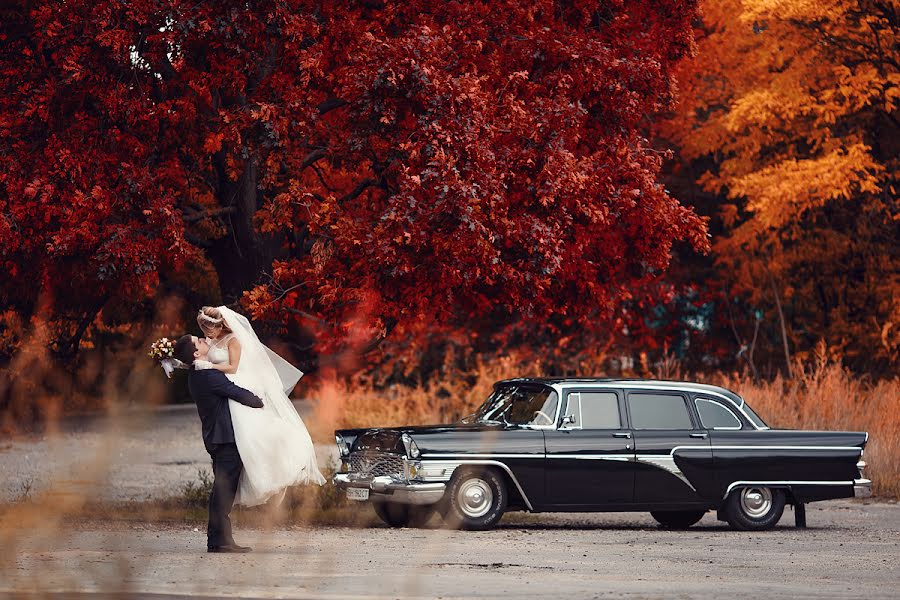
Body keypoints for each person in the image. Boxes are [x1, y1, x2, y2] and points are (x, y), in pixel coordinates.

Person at [195, 306, 325, 507]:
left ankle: (270, 469)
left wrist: (210, 367)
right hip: (222, 387)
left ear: (217, 326)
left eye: (207, 331)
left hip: (234, 382)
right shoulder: (212, 341)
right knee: (240, 436)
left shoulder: (234, 340)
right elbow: (199, 354)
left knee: (251, 434)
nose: (205, 335)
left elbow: (232, 367)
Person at [172, 334, 263, 553]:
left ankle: (217, 540)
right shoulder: (209, 375)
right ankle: (221, 542)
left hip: (215, 437)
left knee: (220, 491)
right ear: (196, 353)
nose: (204, 340)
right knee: (224, 491)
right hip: (224, 440)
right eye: (199, 341)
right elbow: (238, 394)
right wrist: (259, 400)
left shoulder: (196, 373)